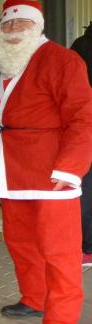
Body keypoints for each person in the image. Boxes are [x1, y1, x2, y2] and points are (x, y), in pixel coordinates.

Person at [0, 0, 92, 324]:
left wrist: (71, 167)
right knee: (21, 243)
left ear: (38, 27)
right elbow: (13, 107)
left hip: (51, 173)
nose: (13, 30)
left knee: (60, 252)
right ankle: (34, 298)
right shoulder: (8, 62)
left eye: (21, 23)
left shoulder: (63, 60)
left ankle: (60, 322)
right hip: (14, 170)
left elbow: (83, 116)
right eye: (7, 24)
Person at [69, 21, 92, 267]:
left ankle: (87, 247)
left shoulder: (80, 45)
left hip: (85, 123)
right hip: (86, 122)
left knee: (86, 186)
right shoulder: (82, 46)